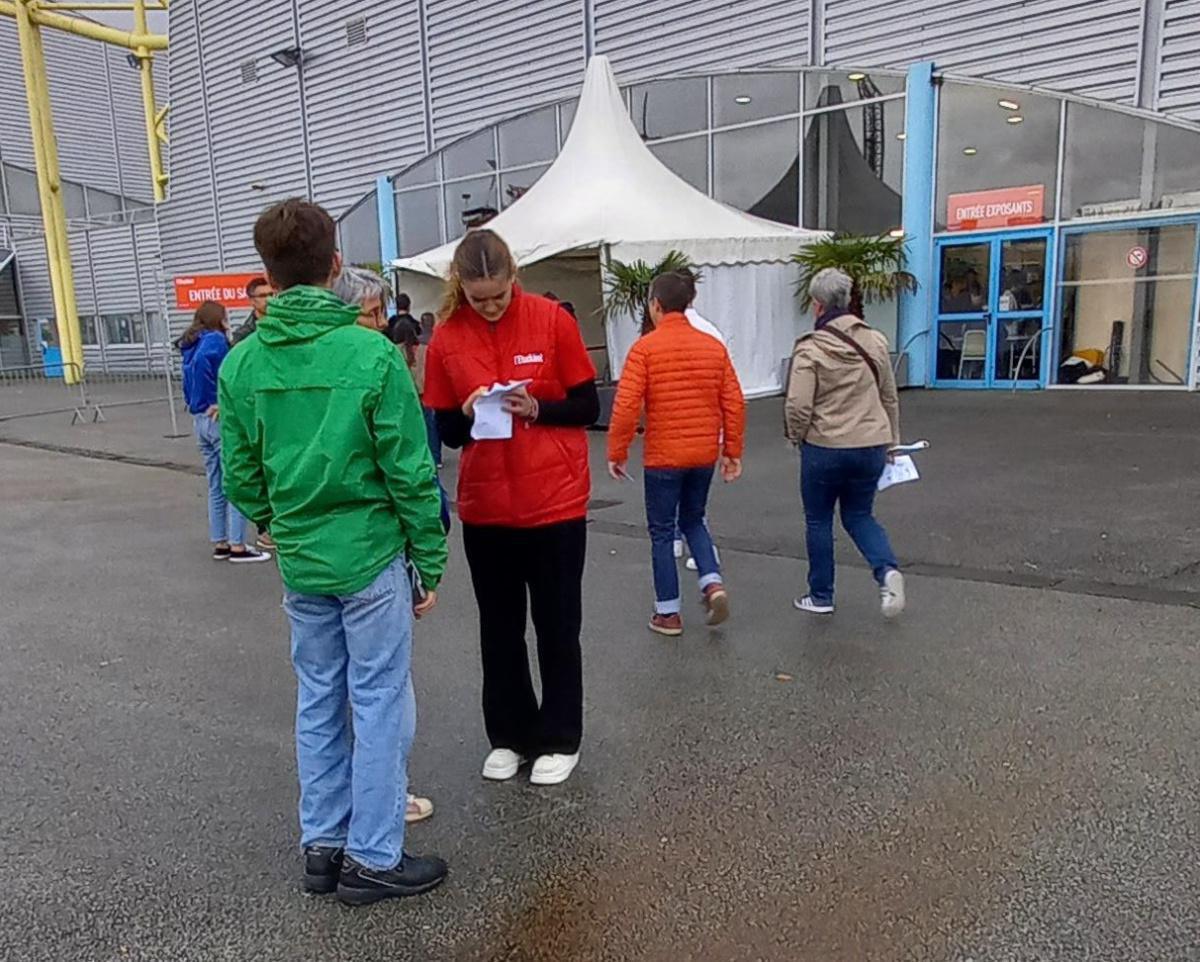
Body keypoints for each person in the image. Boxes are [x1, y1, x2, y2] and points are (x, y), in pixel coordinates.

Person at [219, 198, 448, 905]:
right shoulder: (372, 354)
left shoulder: (242, 365)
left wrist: (278, 522)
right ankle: (374, 854)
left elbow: (241, 474)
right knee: (377, 699)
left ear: (268, 274)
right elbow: (410, 470)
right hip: (370, 553)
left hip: (303, 557)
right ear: (336, 266)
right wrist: (429, 557)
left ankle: (324, 843)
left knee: (318, 696)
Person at [423, 228, 599, 787]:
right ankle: (509, 735)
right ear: (461, 289)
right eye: (479, 299)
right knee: (499, 630)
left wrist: (537, 406)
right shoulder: (447, 339)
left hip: (555, 504)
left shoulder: (552, 320)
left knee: (556, 625)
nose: (491, 306)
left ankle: (560, 736)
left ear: (513, 278)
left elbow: (587, 404)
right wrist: (473, 411)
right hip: (488, 506)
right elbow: (447, 431)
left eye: (499, 295)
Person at [607, 271, 746, 637]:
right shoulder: (712, 347)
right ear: (689, 303)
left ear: (655, 304)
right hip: (703, 453)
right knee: (694, 520)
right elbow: (733, 401)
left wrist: (617, 450)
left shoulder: (645, 349)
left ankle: (668, 613)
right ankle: (712, 582)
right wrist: (731, 450)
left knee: (662, 531)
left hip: (663, 457)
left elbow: (626, 406)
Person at [784, 267, 905, 619]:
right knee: (859, 514)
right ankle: (887, 571)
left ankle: (821, 595)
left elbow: (798, 404)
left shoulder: (811, 348)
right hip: (870, 444)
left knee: (819, 520)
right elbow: (889, 396)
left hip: (825, 446)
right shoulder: (875, 341)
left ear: (817, 305)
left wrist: (796, 435)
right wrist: (892, 441)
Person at [335, 266, 452, 533]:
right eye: (373, 313)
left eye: (382, 312)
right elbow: (403, 457)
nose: (382, 323)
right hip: (378, 522)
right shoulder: (380, 364)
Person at [178, 300, 271, 565]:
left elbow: (191, 375)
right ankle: (237, 544)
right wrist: (219, 400)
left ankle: (220, 541)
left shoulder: (191, 343)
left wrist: (199, 401)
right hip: (217, 418)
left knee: (215, 483)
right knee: (236, 479)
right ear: (219, 319)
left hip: (199, 418)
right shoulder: (216, 342)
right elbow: (223, 374)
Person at [676, 268, 724, 571]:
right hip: (707, 423)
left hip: (676, 426)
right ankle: (690, 542)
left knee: (680, 492)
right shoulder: (710, 331)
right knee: (694, 492)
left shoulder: (661, 333)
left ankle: (695, 545)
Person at [230, 276, 274, 345]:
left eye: (271, 294)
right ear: (251, 301)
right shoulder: (243, 334)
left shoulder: (285, 324)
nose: (269, 299)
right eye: (262, 296)